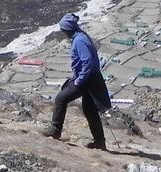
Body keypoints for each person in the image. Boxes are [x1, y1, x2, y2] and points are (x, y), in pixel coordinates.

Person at [43, 14, 111, 150]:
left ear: (67, 30)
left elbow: (88, 62)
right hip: (93, 78)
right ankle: (100, 142)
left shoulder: (79, 41)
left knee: (61, 98)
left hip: (86, 79)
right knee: (90, 110)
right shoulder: (82, 36)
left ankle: (55, 130)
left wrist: (79, 80)